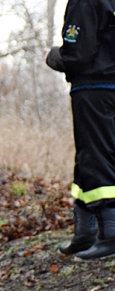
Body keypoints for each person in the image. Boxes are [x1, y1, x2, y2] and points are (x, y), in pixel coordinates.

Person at [46, 0, 115, 260]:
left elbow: (77, 55)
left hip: (93, 89)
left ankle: (110, 234)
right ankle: (85, 230)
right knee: (95, 156)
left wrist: (52, 56)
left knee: (95, 158)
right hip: (109, 86)